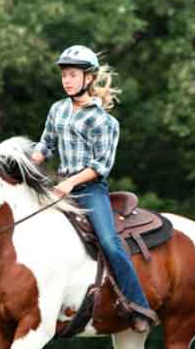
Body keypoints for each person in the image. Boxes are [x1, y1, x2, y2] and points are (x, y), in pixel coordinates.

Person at [30, 45, 159, 333]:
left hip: (88, 190)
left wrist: (70, 183)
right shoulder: (57, 109)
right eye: (64, 75)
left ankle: (138, 306)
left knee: (110, 242)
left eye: (73, 75)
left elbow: (101, 165)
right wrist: (24, 165)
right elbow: (45, 146)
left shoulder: (105, 121)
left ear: (89, 78)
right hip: (58, 187)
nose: (67, 80)